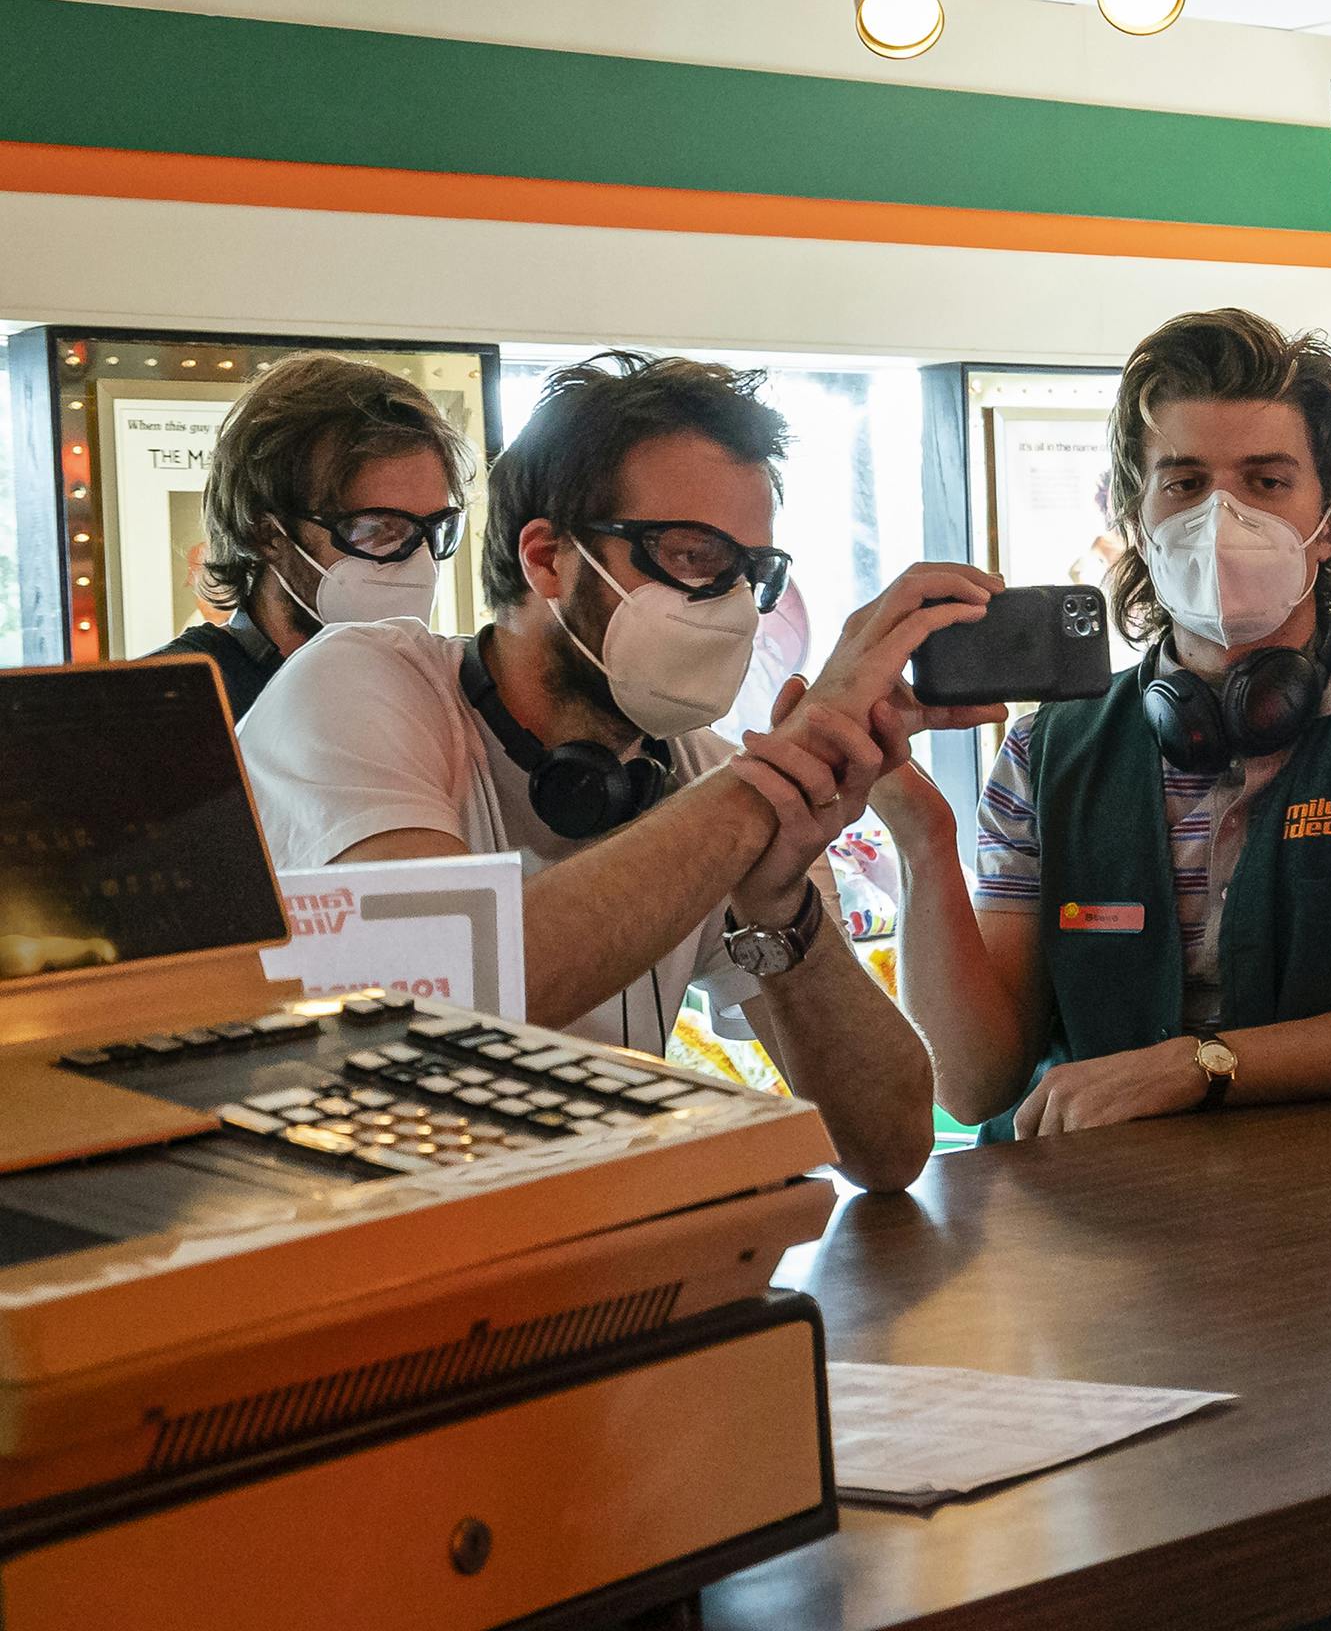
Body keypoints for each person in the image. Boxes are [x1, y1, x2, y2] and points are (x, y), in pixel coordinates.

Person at [238, 352, 996, 1193]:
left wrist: (778, 908)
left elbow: (888, 1148)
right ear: (546, 559)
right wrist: (775, 776)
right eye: (691, 556)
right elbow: (446, 1003)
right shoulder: (363, 684)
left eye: (752, 572)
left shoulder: (707, 777)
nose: (733, 604)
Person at [882, 309, 1331, 1138]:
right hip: (1109, 1217)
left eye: (1266, 482)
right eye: (1185, 484)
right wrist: (920, 838)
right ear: (1137, 519)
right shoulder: (1047, 749)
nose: (1220, 519)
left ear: (1330, 522)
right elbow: (974, 1086)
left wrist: (1199, 1066)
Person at [153, 351, 471, 717]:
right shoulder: (172, 707)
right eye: (377, 530)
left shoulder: (439, 695)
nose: (419, 562)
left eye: (437, 528)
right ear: (268, 534)